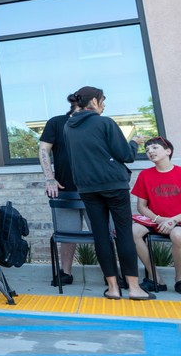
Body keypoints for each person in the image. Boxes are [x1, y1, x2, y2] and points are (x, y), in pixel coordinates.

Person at [61, 85, 152, 300]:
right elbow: (125, 155)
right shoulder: (104, 122)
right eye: (102, 100)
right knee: (123, 233)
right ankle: (134, 288)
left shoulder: (68, 127)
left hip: (87, 187)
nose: (104, 104)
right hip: (113, 184)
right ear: (93, 101)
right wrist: (133, 143)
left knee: (101, 235)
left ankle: (112, 288)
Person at [39, 93, 83, 285]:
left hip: (96, 189)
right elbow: (43, 149)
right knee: (67, 233)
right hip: (65, 189)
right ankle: (65, 272)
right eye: (101, 101)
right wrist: (49, 178)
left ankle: (112, 275)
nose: (103, 106)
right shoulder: (57, 122)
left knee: (105, 233)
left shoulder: (99, 124)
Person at [131, 136, 180, 294]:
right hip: (155, 221)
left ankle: (179, 279)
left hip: (178, 222)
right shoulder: (145, 175)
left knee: (178, 236)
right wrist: (159, 219)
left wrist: (173, 220)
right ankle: (156, 279)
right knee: (133, 231)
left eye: (154, 148)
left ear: (168, 151)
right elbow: (141, 206)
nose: (150, 152)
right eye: (147, 150)